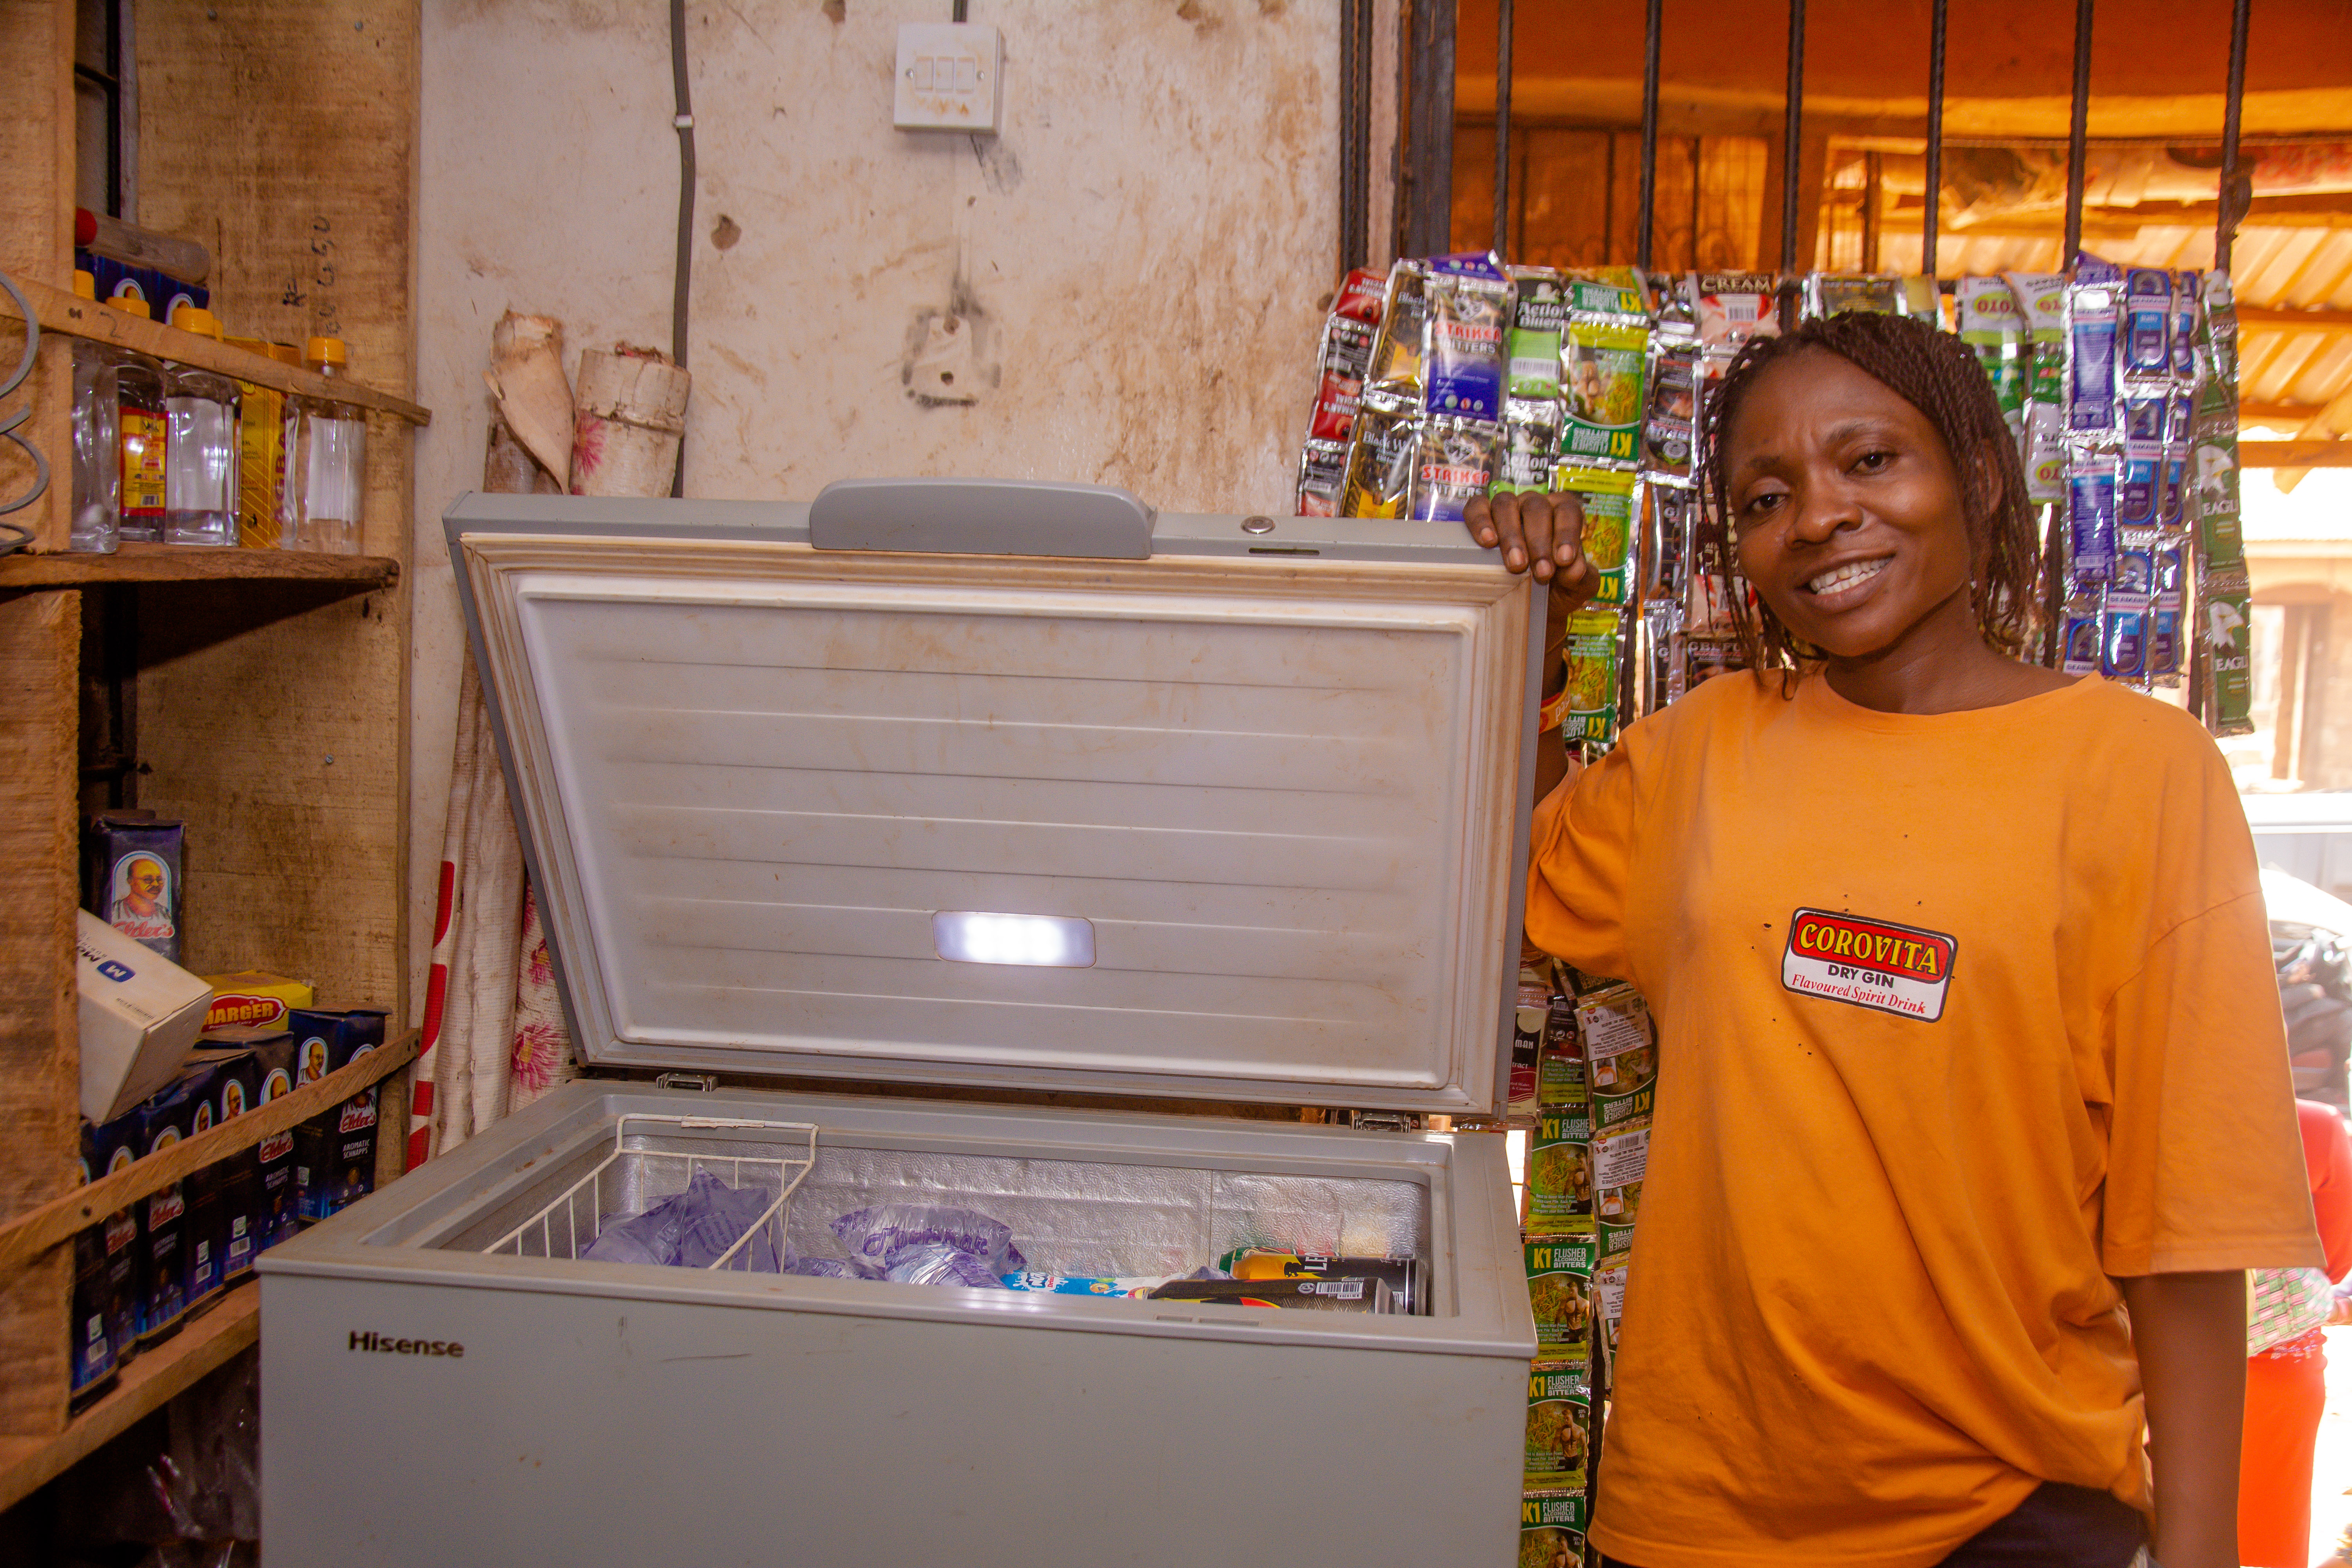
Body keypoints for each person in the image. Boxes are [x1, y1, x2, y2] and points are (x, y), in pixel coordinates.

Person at [1461, 309, 2323, 1568]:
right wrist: (1529, 624)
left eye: (1868, 462)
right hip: (1699, 1513)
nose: (1816, 516)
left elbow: (2182, 1209)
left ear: (1974, 479)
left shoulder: (2136, 772)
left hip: (2009, 1515)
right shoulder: (1702, 754)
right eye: (1767, 494)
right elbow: (1507, 874)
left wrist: (2198, 1546)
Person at [2239, 1099, 2352, 1566]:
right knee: (2267, 1549)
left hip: (2118, 1359)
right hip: (2273, 1363)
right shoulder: (2309, 1128)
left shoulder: (2112, 1121)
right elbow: (2331, 1261)